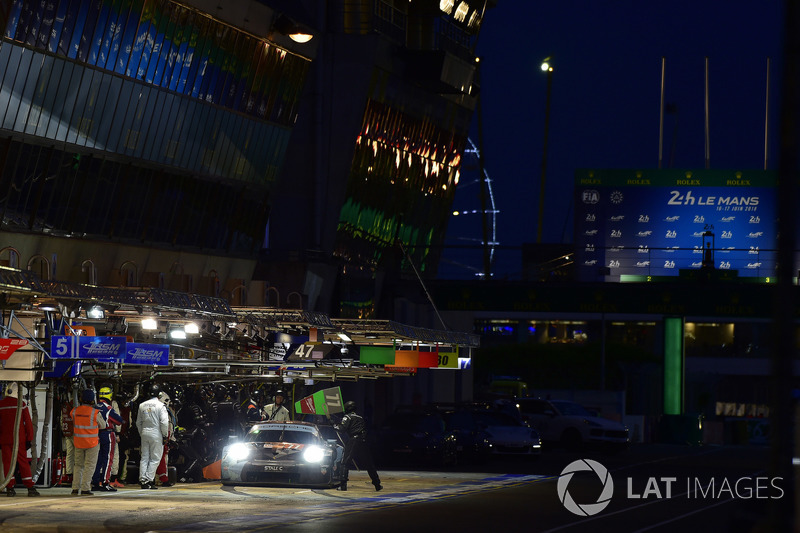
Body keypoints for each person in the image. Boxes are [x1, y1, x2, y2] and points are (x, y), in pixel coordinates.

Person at [0, 382, 40, 497]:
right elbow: (28, 423)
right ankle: (30, 487)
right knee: (23, 463)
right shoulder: (21, 404)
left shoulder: (1, 404)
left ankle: (10, 487)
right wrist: (30, 439)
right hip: (19, 440)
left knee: (7, 463)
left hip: (4, 440)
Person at [333, 400, 382, 492]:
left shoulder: (347, 417)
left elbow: (341, 429)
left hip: (354, 440)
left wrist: (333, 424)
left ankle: (343, 486)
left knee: (345, 463)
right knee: (369, 464)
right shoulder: (360, 417)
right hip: (363, 441)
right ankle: (377, 484)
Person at [70, 389, 107, 496]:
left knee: (78, 466)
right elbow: (103, 425)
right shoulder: (95, 413)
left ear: (80, 399)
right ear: (92, 400)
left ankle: (75, 488)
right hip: (92, 443)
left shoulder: (74, 411)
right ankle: (85, 488)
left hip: (78, 442)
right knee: (89, 466)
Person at [136, 383, 169, 489]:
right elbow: (164, 422)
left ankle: (142, 479)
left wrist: (142, 433)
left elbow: (138, 422)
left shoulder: (142, 405)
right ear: (159, 394)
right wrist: (165, 435)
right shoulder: (161, 406)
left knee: (144, 457)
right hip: (156, 433)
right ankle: (148, 480)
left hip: (144, 433)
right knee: (155, 458)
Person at [91, 386, 123, 492]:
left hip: (95, 435)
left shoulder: (94, 407)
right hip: (107, 435)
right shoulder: (108, 408)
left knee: (97, 460)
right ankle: (105, 483)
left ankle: (95, 483)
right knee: (108, 459)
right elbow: (119, 421)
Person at [154, 390, 178, 487]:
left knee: (160, 459)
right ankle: (160, 479)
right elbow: (165, 426)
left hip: (158, 438)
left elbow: (170, 426)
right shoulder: (161, 411)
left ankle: (154, 479)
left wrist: (171, 439)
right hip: (159, 438)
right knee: (159, 459)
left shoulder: (166, 412)